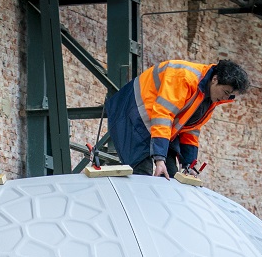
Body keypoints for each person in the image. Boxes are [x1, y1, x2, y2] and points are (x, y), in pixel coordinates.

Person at [104, 59, 249, 178]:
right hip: (132, 114)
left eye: (230, 95)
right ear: (215, 79)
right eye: (225, 92)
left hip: (161, 128)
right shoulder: (184, 77)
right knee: (142, 175)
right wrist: (159, 158)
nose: (225, 98)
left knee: (171, 177)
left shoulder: (209, 97)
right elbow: (163, 114)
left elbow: (191, 130)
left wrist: (189, 164)